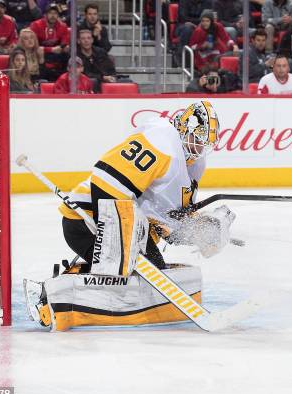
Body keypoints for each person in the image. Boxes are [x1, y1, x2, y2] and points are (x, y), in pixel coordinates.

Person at [58, 101, 230, 273]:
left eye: (205, 144)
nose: (200, 148)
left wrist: (200, 231)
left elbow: (170, 217)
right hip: (87, 220)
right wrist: (121, 247)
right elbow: (106, 185)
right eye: (197, 140)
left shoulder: (192, 163)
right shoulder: (162, 141)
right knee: (144, 273)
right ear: (184, 129)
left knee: (151, 272)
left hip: (125, 221)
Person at [30, 3, 70, 81]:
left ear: (58, 15)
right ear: (45, 15)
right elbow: (32, 45)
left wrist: (62, 47)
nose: (53, 16)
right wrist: (50, 49)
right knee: (38, 52)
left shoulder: (63, 26)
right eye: (50, 13)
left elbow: (65, 42)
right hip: (40, 54)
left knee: (67, 51)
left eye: (55, 13)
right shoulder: (36, 25)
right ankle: (38, 79)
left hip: (57, 54)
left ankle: (65, 78)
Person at [77, 28, 117, 92]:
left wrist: (112, 77)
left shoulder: (101, 52)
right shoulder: (76, 56)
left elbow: (111, 69)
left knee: (127, 81)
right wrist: (102, 78)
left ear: (92, 40)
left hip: (105, 80)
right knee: (93, 81)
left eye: (89, 38)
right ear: (78, 41)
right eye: (83, 38)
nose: (86, 41)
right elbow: (83, 74)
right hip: (86, 83)